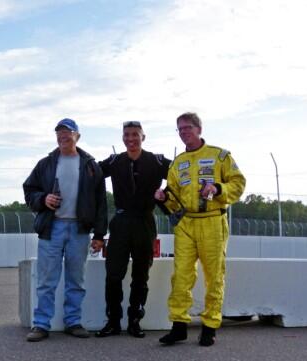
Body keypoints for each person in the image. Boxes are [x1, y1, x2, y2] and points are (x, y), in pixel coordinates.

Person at [155, 112, 245, 346]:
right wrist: (163, 198)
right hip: (186, 223)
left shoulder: (220, 156)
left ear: (199, 129)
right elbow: (174, 199)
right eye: (180, 129)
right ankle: (179, 326)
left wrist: (216, 188)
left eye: (188, 128)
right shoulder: (177, 163)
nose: (184, 132)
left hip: (213, 220)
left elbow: (238, 183)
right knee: (181, 275)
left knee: (214, 276)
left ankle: (210, 326)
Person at [23, 118, 107, 342]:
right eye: (59, 133)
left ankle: (73, 321)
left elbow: (101, 203)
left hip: (80, 229)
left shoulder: (90, 165)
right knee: (46, 279)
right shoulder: (46, 163)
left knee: (76, 280)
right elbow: (29, 190)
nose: (63, 136)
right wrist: (43, 198)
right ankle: (41, 324)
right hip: (53, 228)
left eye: (67, 133)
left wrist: (99, 234)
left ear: (77, 136)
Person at [96, 121, 170, 338]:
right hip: (120, 223)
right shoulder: (115, 161)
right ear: (122, 138)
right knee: (113, 275)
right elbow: (90, 174)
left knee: (141, 275)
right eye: (127, 135)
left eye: (135, 135)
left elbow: (181, 175)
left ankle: (135, 320)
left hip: (145, 222)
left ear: (143, 137)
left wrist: (165, 195)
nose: (131, 139)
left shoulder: (157, 161)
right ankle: (113, 321)